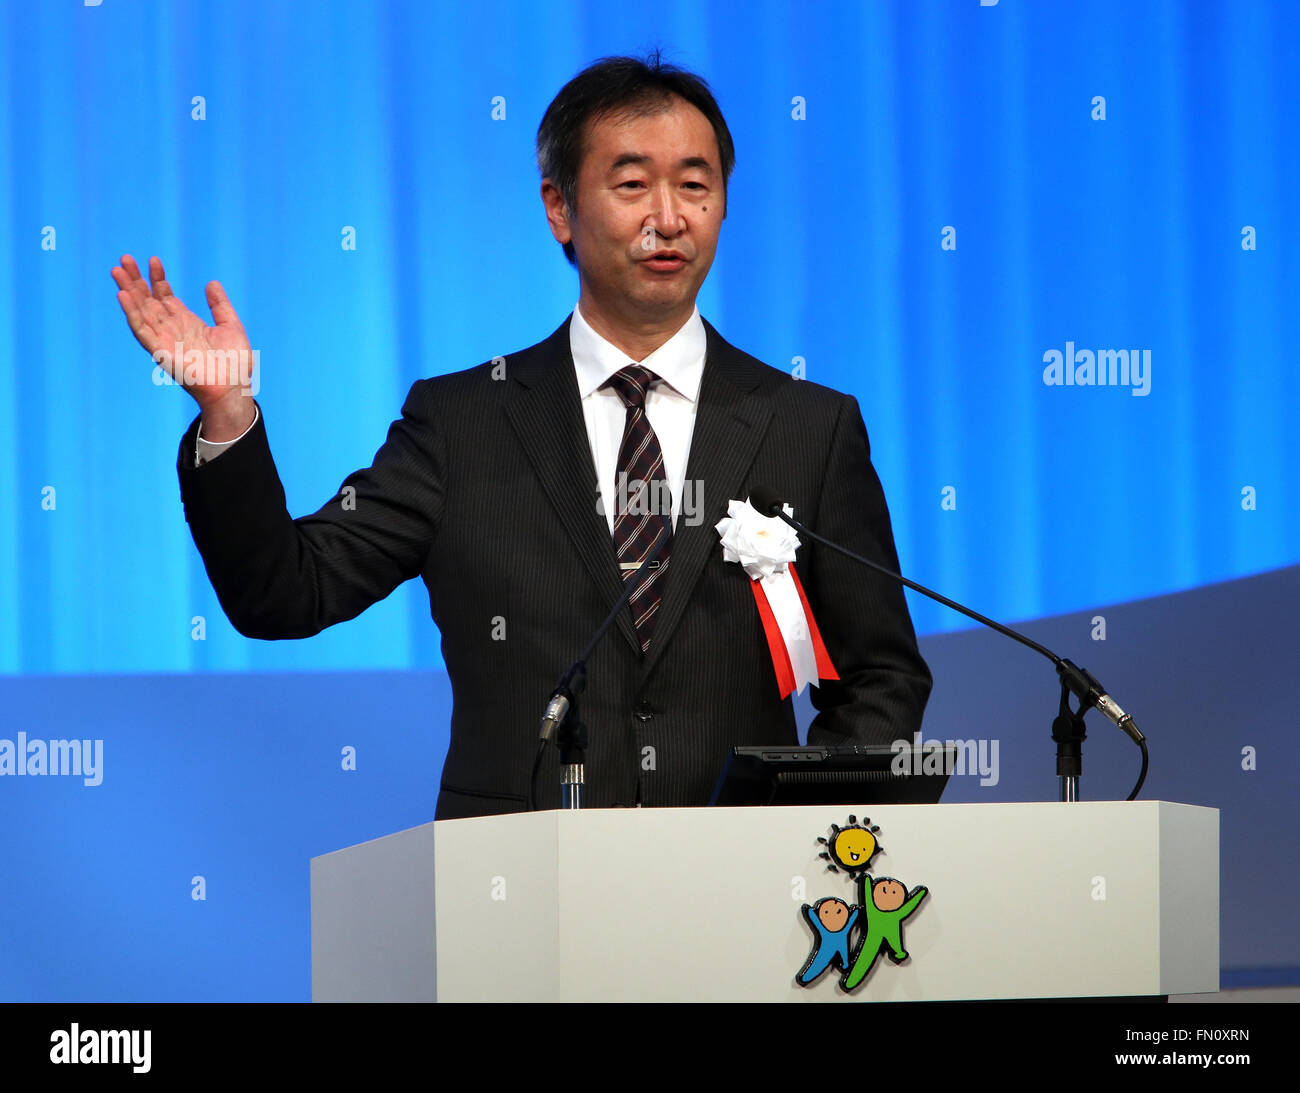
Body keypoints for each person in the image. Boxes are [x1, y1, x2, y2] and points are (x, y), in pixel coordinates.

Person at [112, 52, 932, 819]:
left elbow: (882, 673)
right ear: (558, 208)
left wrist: (793, 832)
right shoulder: (464, 421)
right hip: (514, 904)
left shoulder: (807, 424)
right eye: (632, 183)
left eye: (695, 183)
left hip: (740, 911)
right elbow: (284, 593)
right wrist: (227, 412)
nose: (668, 217)